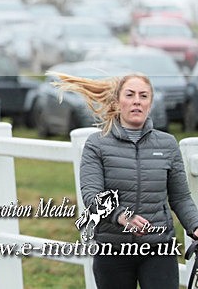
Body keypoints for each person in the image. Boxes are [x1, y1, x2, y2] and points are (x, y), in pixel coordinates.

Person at [52, 71, 198, 289]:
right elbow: (92, 196)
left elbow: (180, 198)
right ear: (117, 101)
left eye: (143, 96)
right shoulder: (97, 145)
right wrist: (122, 216)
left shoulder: (167, 145)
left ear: (150, 103)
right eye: (130, 95)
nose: (136, 101)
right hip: (112, 249)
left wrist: (195, 226)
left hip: (158, 248)